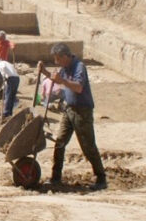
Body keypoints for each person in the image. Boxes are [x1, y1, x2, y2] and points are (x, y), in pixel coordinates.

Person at [38, 43, 106, 190]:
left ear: (65, 56)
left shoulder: (78, 66)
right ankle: (56, 178)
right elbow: (57, 79)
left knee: (88, 145)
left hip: (82, 111)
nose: (56, 62)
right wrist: (44, 72)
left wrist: (62, 80)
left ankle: (101, 178)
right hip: (69, 109)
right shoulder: (66, 68)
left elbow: (79, 87)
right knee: (60, 142)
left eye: (57, 59)